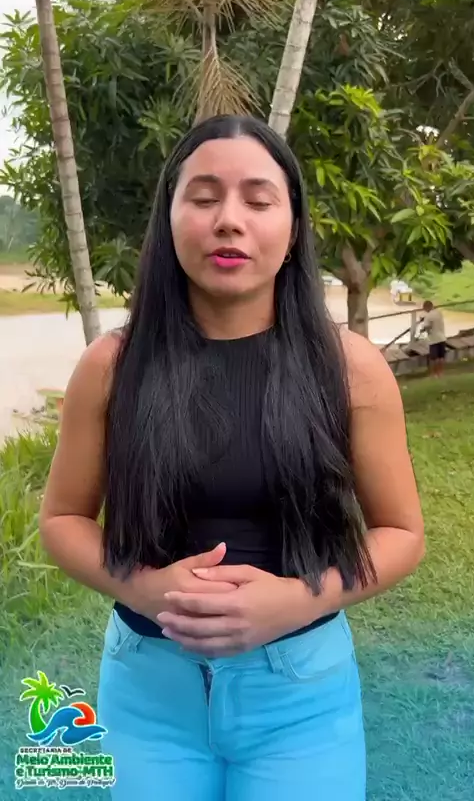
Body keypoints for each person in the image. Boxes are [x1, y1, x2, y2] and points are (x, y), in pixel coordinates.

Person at [38, 115, 425, 801]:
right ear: (170, 219)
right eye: (204, 196)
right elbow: (63, 518)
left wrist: (294, 601)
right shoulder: (111, 367)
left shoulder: (350, 369)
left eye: (258, 199)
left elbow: (402, 533)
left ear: (293, 227)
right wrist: (144, 589)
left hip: (299, 694)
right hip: (147, 694)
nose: (228, 220)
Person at [421, 300, 447, 377]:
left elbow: (427, 327)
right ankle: (441, 373)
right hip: (442, 337)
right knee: (441, 357)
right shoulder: (439, 313)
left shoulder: (428, 316)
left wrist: (425, 330)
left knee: (434, 358)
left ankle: (434, 374)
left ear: (426, 307)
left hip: (434, 339)